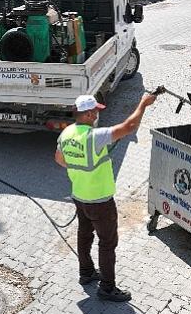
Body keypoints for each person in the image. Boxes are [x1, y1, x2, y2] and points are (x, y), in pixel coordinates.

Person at [54, 93, 158, 302]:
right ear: (90, 113)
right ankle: (108, 288)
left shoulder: (66, 133)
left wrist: (80, 170)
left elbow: (59, 159)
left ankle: (86, 273)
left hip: (79, 196)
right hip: (100, 200)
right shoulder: (95, 137)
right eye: (97, 112)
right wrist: (143, 104)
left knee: (84, 234)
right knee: (107, 242)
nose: (98, 115)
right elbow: (129, 127)